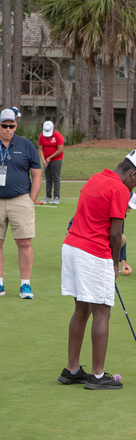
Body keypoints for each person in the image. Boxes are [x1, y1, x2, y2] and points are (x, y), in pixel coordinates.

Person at [58, 150, 136, 389]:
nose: (135, 187)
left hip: (71, 246)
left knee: (81, 309)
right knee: (102, 312)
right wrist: (114, 264)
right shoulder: (120, 189)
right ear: (133, 174)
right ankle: (97, 376)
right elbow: (115, 234)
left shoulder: (95, 178)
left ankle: (72, 369)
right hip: (93, 252)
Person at [0, 108, 42, 299]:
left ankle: (25, 285)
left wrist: (31, 200)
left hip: (20, 200)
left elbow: (37, 174)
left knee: (24, 243)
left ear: (16, 126)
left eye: (11, 126)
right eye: (4, 126)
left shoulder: (26, 145)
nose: (7, 129)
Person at [38, 120, 64, 205]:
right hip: (46, 161)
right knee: (48, 179)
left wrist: (50, 157)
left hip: (56, 160)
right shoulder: (42, 136)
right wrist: (43, 160)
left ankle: (56, 197)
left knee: (56, 178)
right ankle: (48, 197)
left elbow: (60, 149)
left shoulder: (58, 136)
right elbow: (40, 149)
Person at [120, 191, 136, 274]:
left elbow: (120, 236)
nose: (128, 210)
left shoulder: (121, 216)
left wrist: (123, 262)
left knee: (121, 238)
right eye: (129, 206)